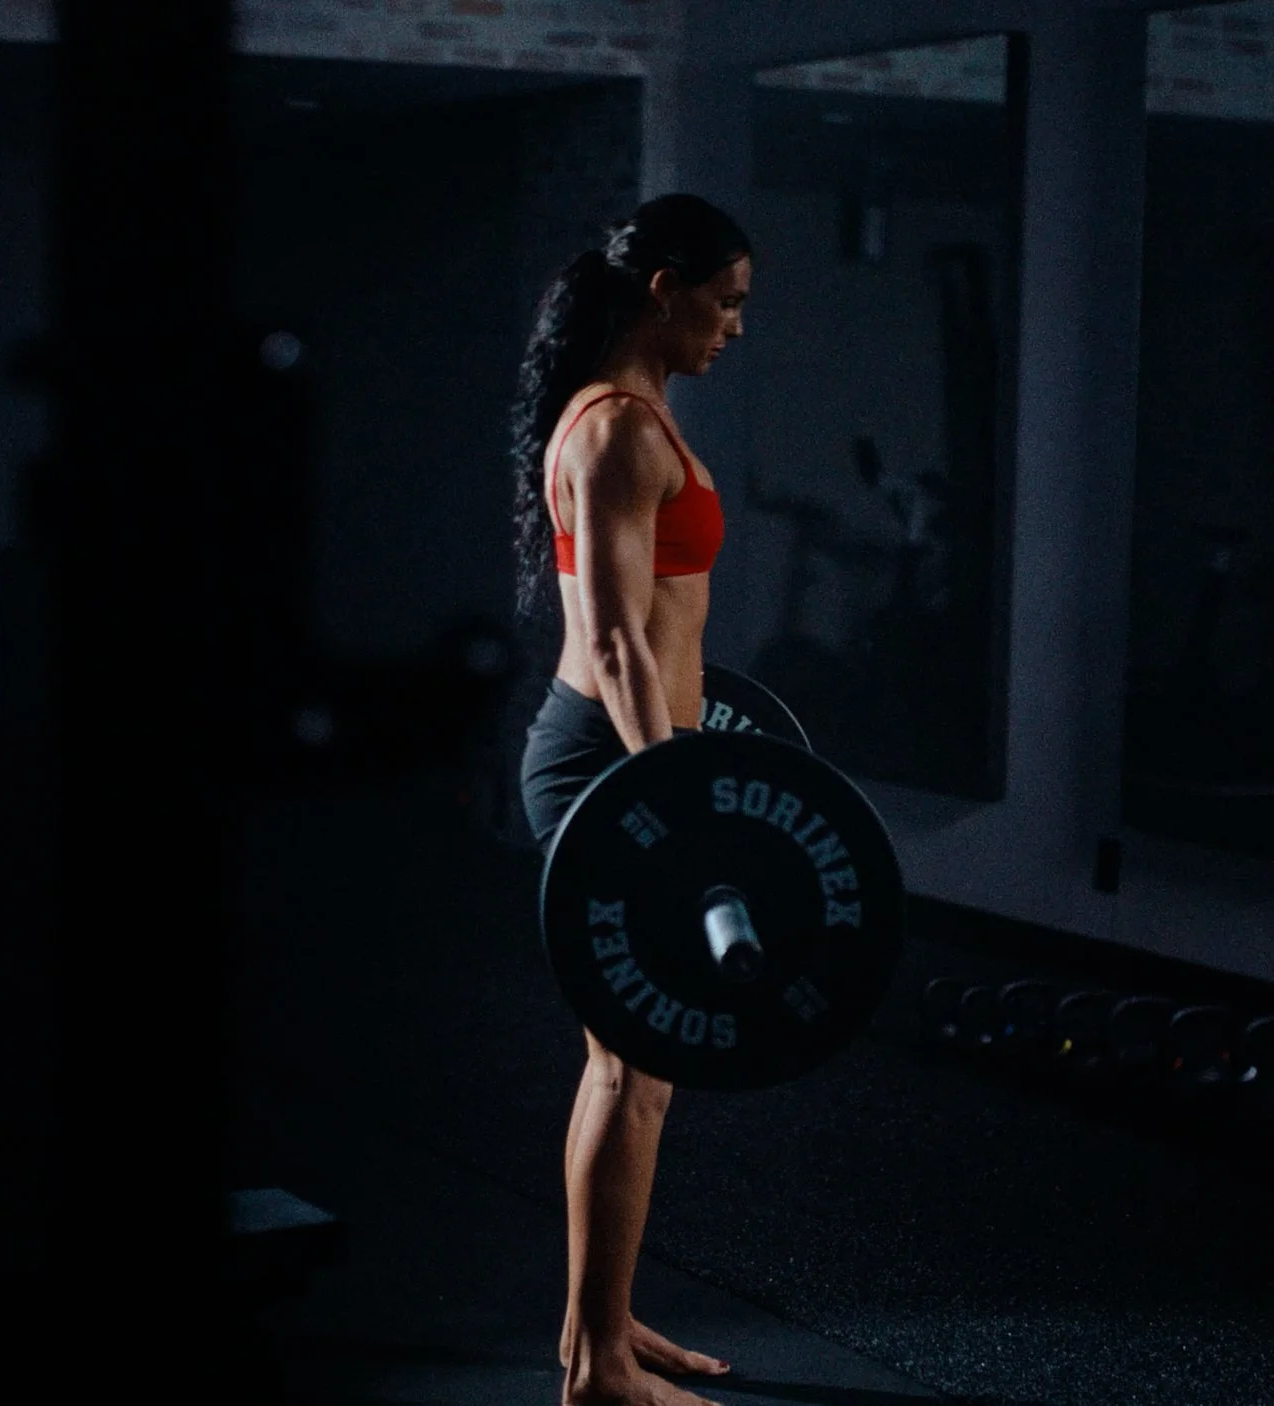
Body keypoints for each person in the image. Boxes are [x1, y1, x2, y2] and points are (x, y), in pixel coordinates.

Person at [509, 193, 753, 1406]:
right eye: (727, 298)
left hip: (634, 757)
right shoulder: (614, 429)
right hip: (611, 758)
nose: (735, 324)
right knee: (633, 1063)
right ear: (663, 286)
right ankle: (600, 1367)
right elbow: (611, 642)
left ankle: (592, 1327)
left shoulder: (636, 418)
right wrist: (676, 805)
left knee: (623, 1060)